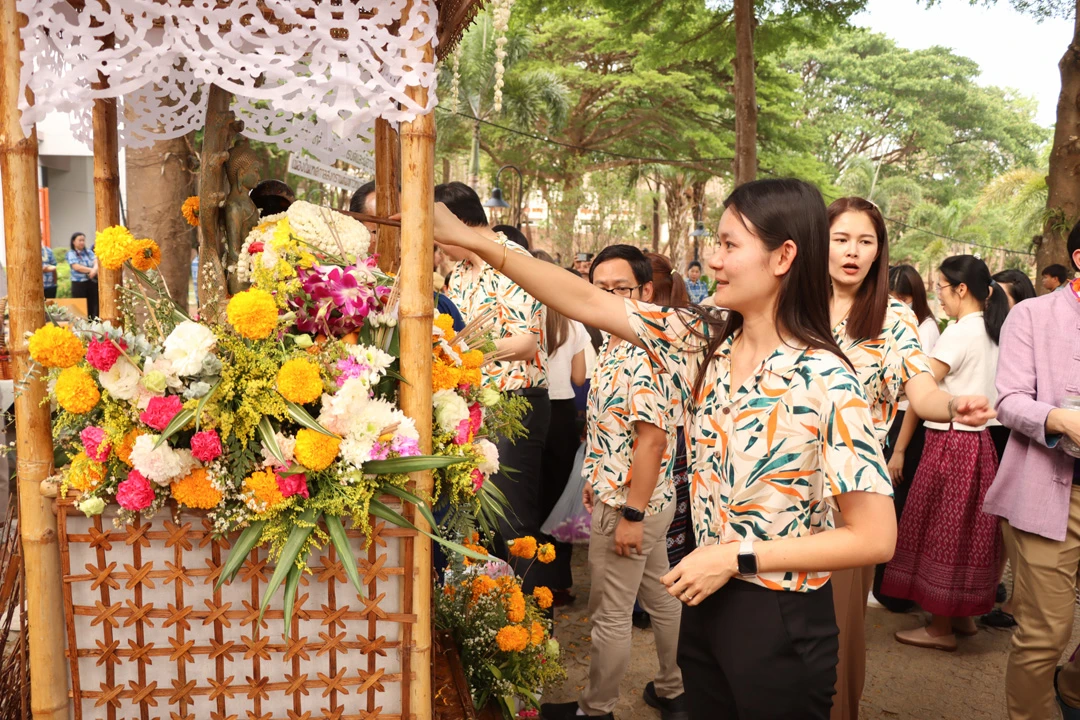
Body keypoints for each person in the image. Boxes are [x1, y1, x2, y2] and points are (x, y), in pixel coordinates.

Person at [430, 177, 899, 719]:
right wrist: (480, 241)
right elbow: (583, 298)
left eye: (728, 245)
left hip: (781, 619)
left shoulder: (827, 379)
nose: (712, 260)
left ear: (783, 256)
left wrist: (736, 556)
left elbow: (874, 535)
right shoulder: (706, 341)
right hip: (704, 596)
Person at [825, 201, 994, 719]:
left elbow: (921, 392)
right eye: (841, 238)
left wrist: (953, 406)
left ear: (880, 250)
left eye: (866, 241)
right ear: (817, 242)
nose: (853, 251)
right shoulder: (791, 303)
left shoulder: (894, 316)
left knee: (836, 629)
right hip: (778, 487)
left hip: (849, 493)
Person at [541, 244, 686, 720]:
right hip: (636, 498)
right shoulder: (617, 344)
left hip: (631, 505)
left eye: (619, 289)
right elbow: (616, 431)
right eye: (596, 289)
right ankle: (673, 689)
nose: (605, 299)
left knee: (610, 613)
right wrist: (592, 476)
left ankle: (596, 709)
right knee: (663, 597)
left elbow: (651, 444)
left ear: (646, 291)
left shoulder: (644, 351)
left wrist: (630, 515)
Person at [881, 254, 1010, 651]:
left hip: (952, 440)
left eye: (940, 287)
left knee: (942, 531)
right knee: (969, 531)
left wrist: (899, 448)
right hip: (982, 442)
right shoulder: (993, 329)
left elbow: (919, 393)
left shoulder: (959, 331)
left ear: (961, 289)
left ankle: (940, 629)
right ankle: (962, 618)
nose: (938, 296)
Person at [982, 225, 1080, 720]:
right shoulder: (1032, 315)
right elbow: (1009, 400)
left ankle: (1074, 691)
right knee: (1047, 630)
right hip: (1053, 491)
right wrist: (1059, 420)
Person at [436, 181, 552, 591]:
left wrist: (462, 348)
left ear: (457, 222)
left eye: (438, 230)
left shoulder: (513, 261)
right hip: (475, 404)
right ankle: (493, 614)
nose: (438, 243)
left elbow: (526, 343)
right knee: (478, 521)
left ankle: (532, 627)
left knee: (513, 523)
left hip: (516, 404)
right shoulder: (460, 274)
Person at [872, 264, 940, 614]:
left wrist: (897, 450)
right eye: (893, 296)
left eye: (903, 297)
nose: (897, 302)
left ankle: (890, 590)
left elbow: (920, 393)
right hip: (895, 418)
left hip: (904, 420)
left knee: (894, 504)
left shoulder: (918, 327)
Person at [532, 249, 589, 606]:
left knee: (530, 497)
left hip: (531, 406)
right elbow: (580, 376)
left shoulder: (524, 316)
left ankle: (531, 578)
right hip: (564, 413)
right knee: (560, 496)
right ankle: (560, 582)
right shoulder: (574, 321)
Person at [643, 252, 693, 570]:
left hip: (660, 437)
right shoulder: (691, 329)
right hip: (683, 438)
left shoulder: (652, 331)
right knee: (675, 525)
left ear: (647, 290)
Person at [67, 232, 98, 318]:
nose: (82, 242)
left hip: (91, 282)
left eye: (83, 240)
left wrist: (95, 269)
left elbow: (96, 261)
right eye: (80, 240)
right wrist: (91, 270)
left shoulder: (88, 252)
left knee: (93, 304)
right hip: (78, 284)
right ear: (73, 242)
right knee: (80, 306)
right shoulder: (71, 253)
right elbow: (76, 267)